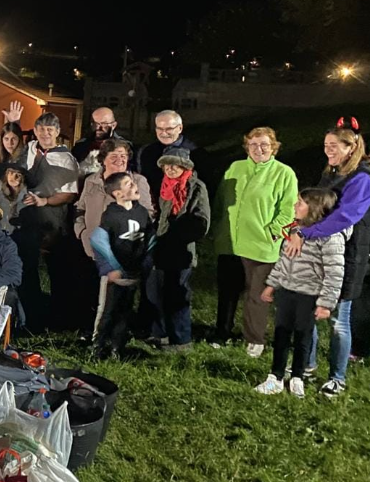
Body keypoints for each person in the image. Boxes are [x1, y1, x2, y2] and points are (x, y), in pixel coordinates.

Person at [287, 121, 370, 396]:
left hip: (347, 257)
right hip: (320, 254)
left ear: (351, 148)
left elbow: (345, 216)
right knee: (310, 312)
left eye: (334, 147)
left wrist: (308, 233)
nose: (328, 151)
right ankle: (308, 365)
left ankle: (337, 377)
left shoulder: (362, 179)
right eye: (326, 146)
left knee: (339, 320)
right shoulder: (330, 173)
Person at [213, 127, 299, 355]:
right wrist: (219, 227)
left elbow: (288, 209)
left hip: (260, 244)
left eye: (264, 145)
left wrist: (273, 230)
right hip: (230, 242)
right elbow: (222, 199)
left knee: (257, 295)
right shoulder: (235, 167)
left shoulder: (284, 173)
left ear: (274, 147)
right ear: (246, 147)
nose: (258, 149)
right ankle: (223, 332)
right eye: (253, 144)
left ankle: (255, 337)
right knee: (228, 291)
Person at [256, 188, 345, 398]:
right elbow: (283, 261)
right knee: (281, 333)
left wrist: (325, 303)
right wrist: (271, 285)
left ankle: (297, 378)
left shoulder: (330, 238)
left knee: (303, 336)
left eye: (300, 203)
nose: (295, 206)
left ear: (314, 208)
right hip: (287, 291)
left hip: (309, 295)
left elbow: (335, 273)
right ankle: (275, 377)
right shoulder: (295, 231)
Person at [16, 112, 80, 327]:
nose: (45, 134)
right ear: (35, 131)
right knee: (28, 268)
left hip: (53, 220)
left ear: (57, 132)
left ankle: (59, 316)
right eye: (41, 129)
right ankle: (32, 315)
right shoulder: (29, 150)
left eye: (50, 130)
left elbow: (70, 193)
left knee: (56, 271)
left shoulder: (66, 158)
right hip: (28, 220)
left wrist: (46, 201)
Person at [149, 147, 211, 352]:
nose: (171, 169)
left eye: (175, 165)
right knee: (157, 292)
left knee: (178, 294)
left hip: (181, 249)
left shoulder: (196, 187)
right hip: (160, 247)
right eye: (167, 165)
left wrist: (179, 234)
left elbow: (202, 220)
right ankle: (162, 334)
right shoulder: (161, 186)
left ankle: (182, 340)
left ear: (184, 166)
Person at [89, 172, 153, 358]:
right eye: (128, 184)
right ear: (118, 193)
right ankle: (98, 346)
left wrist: (146, 263)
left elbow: (150, 238)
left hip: (133, 272)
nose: (134, 186)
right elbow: (99, 242)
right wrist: (111, 269)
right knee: (107, 311)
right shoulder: (110, 216)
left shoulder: (141, 212)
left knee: (125, 311)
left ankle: (118, 346)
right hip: (114, 276)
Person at [75, 140, 154, 260]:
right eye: (114, 156)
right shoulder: (90, 181)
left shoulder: (138, 181)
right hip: (91, 248)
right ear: (103, 160)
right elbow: (80, 209)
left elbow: (147, 213)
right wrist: (82, 232)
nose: (119, 160)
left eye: (123, 156)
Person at [137, 110, 206, 201]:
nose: (164, 133)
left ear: (180, 128)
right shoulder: (146, 152)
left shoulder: (196, 153)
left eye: (169, 129)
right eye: (160, 129)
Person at [73, 107, 132, 176]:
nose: (98, 128)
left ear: (113, 125)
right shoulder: (80, 145)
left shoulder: (124, 147)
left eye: (104, 124)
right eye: (95, 123)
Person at [0, 162, 30, 235]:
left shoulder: (27, 198)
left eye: (18, 175)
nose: (13, 177)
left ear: (23, 178)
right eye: (11, 172)